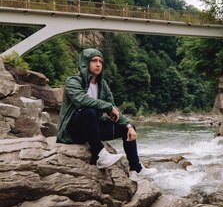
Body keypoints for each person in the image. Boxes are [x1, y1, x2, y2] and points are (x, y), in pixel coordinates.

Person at [56, 48, 156, 181]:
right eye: (94, 61)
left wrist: (128, 125)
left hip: (91, 129)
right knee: (89, 111)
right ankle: (100, 155)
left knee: (127, 129)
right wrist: (107, 107)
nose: (98, 64)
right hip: (73, 130)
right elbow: (81, 100)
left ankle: (136, 169)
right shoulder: (73, 81)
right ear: (85, 63)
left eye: (100, 61)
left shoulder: (102, 84)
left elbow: (113, 107)